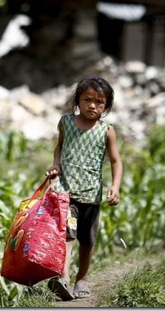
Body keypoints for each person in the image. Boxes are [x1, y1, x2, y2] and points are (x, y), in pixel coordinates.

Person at [45, 74, 123, 301]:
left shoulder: (106, 130)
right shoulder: (66, 123)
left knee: (87, 241)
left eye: (99, 102)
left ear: (106, 106)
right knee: (67, 236)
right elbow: (59, 146)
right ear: (78, 101)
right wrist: (56, 165)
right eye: (87, 99)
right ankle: (64, 278)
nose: (92, 105)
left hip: (91, 195)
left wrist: (115, 186)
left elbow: (116, 161)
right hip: (66, 192)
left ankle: (82, 278)